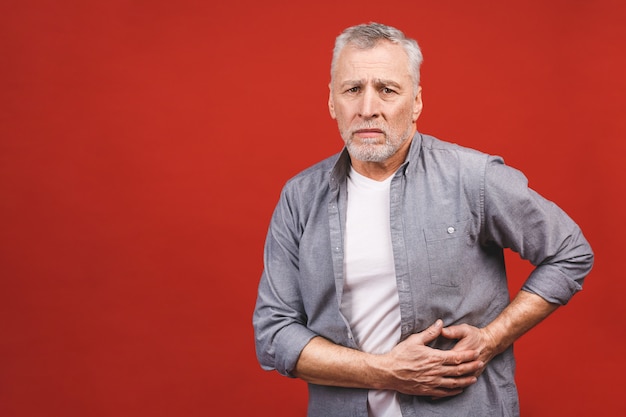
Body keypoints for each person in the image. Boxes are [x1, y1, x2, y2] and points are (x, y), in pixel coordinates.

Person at [253, 22, 593, 417]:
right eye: (352, 90)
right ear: (332, 102)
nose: (367, 108)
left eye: (387, 90)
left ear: (415, 102)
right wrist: (386, 372)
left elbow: (570, 251)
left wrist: (492, 339)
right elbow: (274, 334)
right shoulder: (299, 198)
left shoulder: (472, 177)